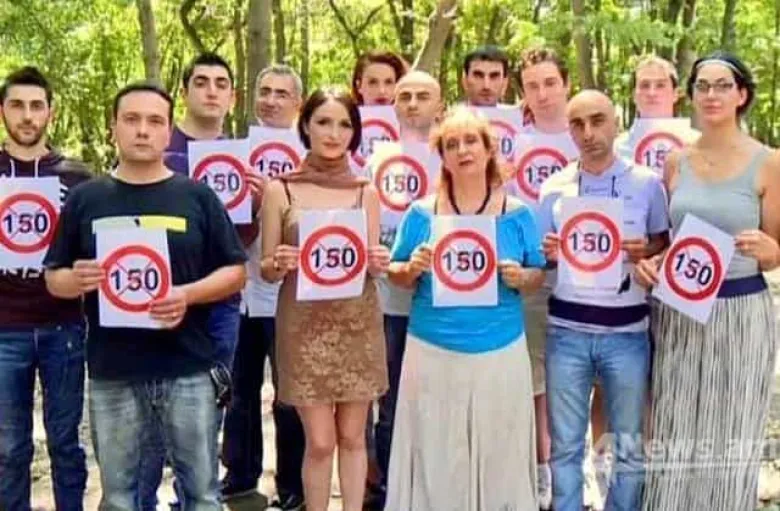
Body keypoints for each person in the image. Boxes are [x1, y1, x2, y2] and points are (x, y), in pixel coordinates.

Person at [43, 82, 247, 509]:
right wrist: (75, 279)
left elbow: (235, 272)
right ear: (113, 127)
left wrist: (187, 294)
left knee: (202, 495)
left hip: (189, 366)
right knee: (120, 497)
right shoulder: (85, 198)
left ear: (168, 130)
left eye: (154, 121)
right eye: (131, 119)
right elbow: (54, 277)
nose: (142, 130)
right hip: (113, 370)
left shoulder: (197, 195)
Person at [637, 51, 780, 511]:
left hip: (741, 312)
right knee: (675, 424)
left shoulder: (769, 163)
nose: (712, 94)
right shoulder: (675, 162)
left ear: (742, 95)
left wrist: (770, 250)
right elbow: (668, 242)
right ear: (692, 95)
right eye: (703, 85)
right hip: (679, 309)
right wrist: (651, 264)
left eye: (722, 85)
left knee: (731, 427)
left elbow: (777, 251)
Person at [384, 107, 544, 510]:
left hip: (500, 349)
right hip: (432, 349)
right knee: (437, 449)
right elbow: (395, 273)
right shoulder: (421, 213)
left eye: (471, 140)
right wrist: (411, 267)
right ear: (442, 157)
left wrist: (522, 277)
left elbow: (538, 273)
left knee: (500, 449)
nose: (462, 150)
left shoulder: (518, 214)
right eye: (451, 144)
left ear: (489, 149)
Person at [137, 52, 261, 509]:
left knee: (206, 415)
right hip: (153, 298)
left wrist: (256, 204)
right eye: (201, 81)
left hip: (220, 305)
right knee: (149, 418)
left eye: (221, 83)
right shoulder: (157, 147)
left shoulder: (243, 157)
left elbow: (241, 241)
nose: (211, 90)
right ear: (185, 91)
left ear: (232, 96)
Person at [538, 90, 670, 511]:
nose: (588, 133)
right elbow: (540, 258)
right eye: (577, 124)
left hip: (627, 332)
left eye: (597, 121)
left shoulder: (647, 184)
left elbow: (663, 243)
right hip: (566, 332)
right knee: (564, 444)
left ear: (616, 123)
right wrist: (549, 252)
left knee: (628, 444)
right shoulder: (553, 187)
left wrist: (647, 251)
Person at [260, 88, 389, 511]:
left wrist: (379, 261)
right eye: (324, 122)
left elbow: (371, 265)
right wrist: (279, 262)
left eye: (344, 124)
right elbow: (266, 268)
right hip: (303, 327)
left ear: (355, 133)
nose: (334, 133)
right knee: (319, 441)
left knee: (353, 437)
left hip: (357, 324)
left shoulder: (365, 192)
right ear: (306, 126)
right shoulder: (281, 190)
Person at [0, 66, 91, 511]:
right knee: (8, 447)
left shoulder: (78, 177)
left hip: (65, 327)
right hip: (3, 328)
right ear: (2, 111)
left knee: (66, 442)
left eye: (37, 106)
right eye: (17, 105)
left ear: (50, 113)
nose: (27, 115)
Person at [220, 64, 306, 510]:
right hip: (238, 293)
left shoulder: (311, 156)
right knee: (238, 391)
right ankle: (239, 478)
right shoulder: (230, 153)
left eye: (281, 94)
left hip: (289, 295)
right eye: (264, 91)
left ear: (298, 104)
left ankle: (292, 486)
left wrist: (270, 201)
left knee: (290, 397)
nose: (271, 100)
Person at [361, 70, 443, 509]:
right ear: (393, 105)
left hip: (444, 302)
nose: (413, 104)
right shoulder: (375, 158)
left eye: (422, 96)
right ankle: (389, 492)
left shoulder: (454, 155)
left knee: (438, 401)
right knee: (390, 403)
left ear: (439, 105)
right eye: (405, 96)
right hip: (387, 301)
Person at [511, 46, 578, 511]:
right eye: (533, 85)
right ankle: (541, 474)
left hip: (589, 279)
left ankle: (579, 472)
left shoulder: (590, 137)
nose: (543, 93)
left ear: (566, 84)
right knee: (535, 379)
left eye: (550, 82)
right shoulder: (511, 144)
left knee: (584, 379)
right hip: (532, 274)